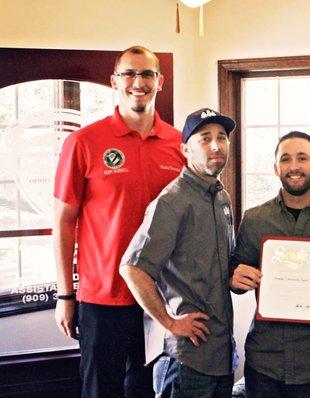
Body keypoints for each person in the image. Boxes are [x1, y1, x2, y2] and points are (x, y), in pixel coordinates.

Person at [53, 45, 184, 398]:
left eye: (146, 74)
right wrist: (66, 295)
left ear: (160, 81)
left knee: (147, 390)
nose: (137, 82)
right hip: (102, 298)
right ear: (115, 81)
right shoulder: (84, 142)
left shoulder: (179, 145)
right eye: (129, 73)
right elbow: (64, 222)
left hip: (160, 298)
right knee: (101, 391)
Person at [230, 131, 310, 398]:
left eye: (303, 158)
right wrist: (235, 278)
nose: (294, 166)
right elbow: (237, 277)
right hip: (265, 362)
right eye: (286, 159)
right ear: (276, 168)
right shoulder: (255, 220)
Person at [120, 108, 237, 398]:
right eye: (205, 138)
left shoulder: (221, 196)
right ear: (185, 149)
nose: (215, 145)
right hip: (186, 359)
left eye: (222, 137)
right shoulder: (172, 201)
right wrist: (170, 322)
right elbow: (132, 268)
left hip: (221, 354)